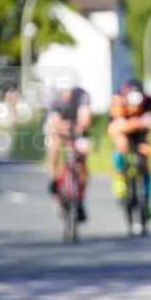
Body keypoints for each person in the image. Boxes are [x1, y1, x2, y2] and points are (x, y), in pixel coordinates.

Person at [45, 79, 93, 221]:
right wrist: (61, 127)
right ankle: (54, 178)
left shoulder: (83, 95)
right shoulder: (54, 98)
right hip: (58, 128)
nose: (66, 94)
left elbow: (85, 117)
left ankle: (80, 198)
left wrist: (79, 127)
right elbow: (54, 119)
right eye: (63, 91)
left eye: (69, 91)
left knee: (83, 153)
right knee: (52, 144)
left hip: (77, 128)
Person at [108, 79, 151, 222]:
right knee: (121, 144)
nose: (135, 109)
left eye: (138, 105)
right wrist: (132, 124)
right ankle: (119, 176)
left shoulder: (148, 101)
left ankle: (146, 199)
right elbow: (116, 126)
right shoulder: (118, 101)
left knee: (145, 157)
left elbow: (149, 123)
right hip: (122, 128)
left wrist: (140, 125)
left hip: (139, 131)